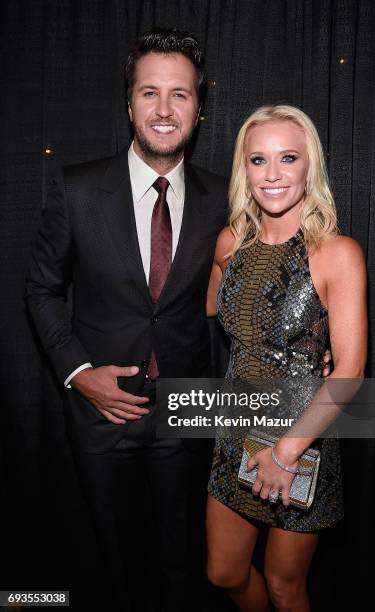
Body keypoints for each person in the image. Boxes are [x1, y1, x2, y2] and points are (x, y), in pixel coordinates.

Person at [24, 28, 227, 612]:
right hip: (100, 409)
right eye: (149, 93)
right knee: (109, 560)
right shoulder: (77, 189)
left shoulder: (223, 198)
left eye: (180, 95)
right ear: (129, 103)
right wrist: (77, 371)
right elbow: (41, 290)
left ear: (199, 105)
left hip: (190, 410)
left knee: (180, 563)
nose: (164, 110)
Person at [206, 105, 367, 612]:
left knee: (284, 585)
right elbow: (212, 307)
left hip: (305, 437)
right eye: (258, 160)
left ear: (308, 167)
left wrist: (284, 454)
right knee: (224, 572)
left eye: (288, 157)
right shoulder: (230, 243)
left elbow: (350, 373)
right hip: (234, 433)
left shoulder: (336, 253)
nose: (272, 174)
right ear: (244, 169)